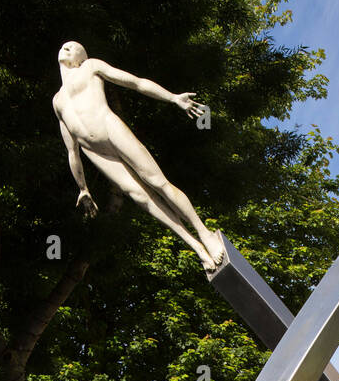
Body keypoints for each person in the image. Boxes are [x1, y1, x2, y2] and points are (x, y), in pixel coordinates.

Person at [53, 42, 226, 277]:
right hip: (94, 151)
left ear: (81, 58)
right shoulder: (58, 101)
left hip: (109, 127)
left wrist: (173, 98)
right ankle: (195, 246)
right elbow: (71, 149)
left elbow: (136, 82)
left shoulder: (91, 67)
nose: (66, 48)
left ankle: (204, 232)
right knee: (140, 197)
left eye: (73, 47)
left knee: (157, 182)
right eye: (64, 46)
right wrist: (82, 188)